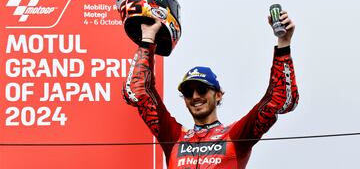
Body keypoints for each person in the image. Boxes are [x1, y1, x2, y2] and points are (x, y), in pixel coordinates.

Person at [122, 11, 299, 169]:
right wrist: (148, 38)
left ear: (218, 95)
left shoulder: (236, 135)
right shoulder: (174, 136)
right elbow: (138, 93)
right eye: (188, 92)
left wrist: (284, 43)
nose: (195, 96)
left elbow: (278, 99)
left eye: (202, 89)